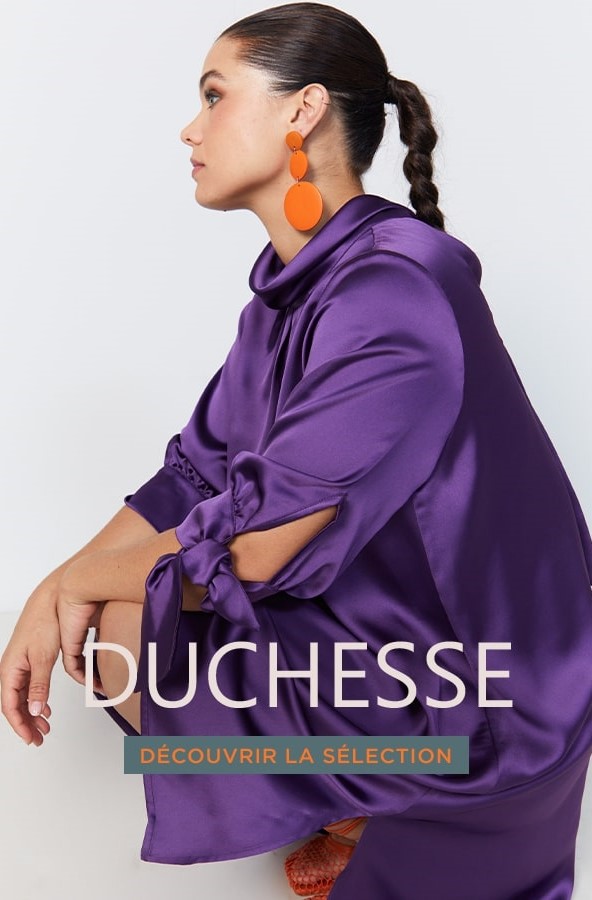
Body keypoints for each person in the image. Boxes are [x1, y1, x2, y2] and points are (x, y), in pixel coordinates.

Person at [1, 3, 592, 898]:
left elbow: (261, 550)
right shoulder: (291, 294)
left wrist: (82, 584)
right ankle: (350, 796)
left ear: (303, 110)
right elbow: (192, 475)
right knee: (120, 618)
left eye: (214, 96)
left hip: (491, 695)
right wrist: (54, 588)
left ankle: (388, 790)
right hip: (402, 636)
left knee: (129, 615)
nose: (190, 129)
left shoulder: (393, 284)